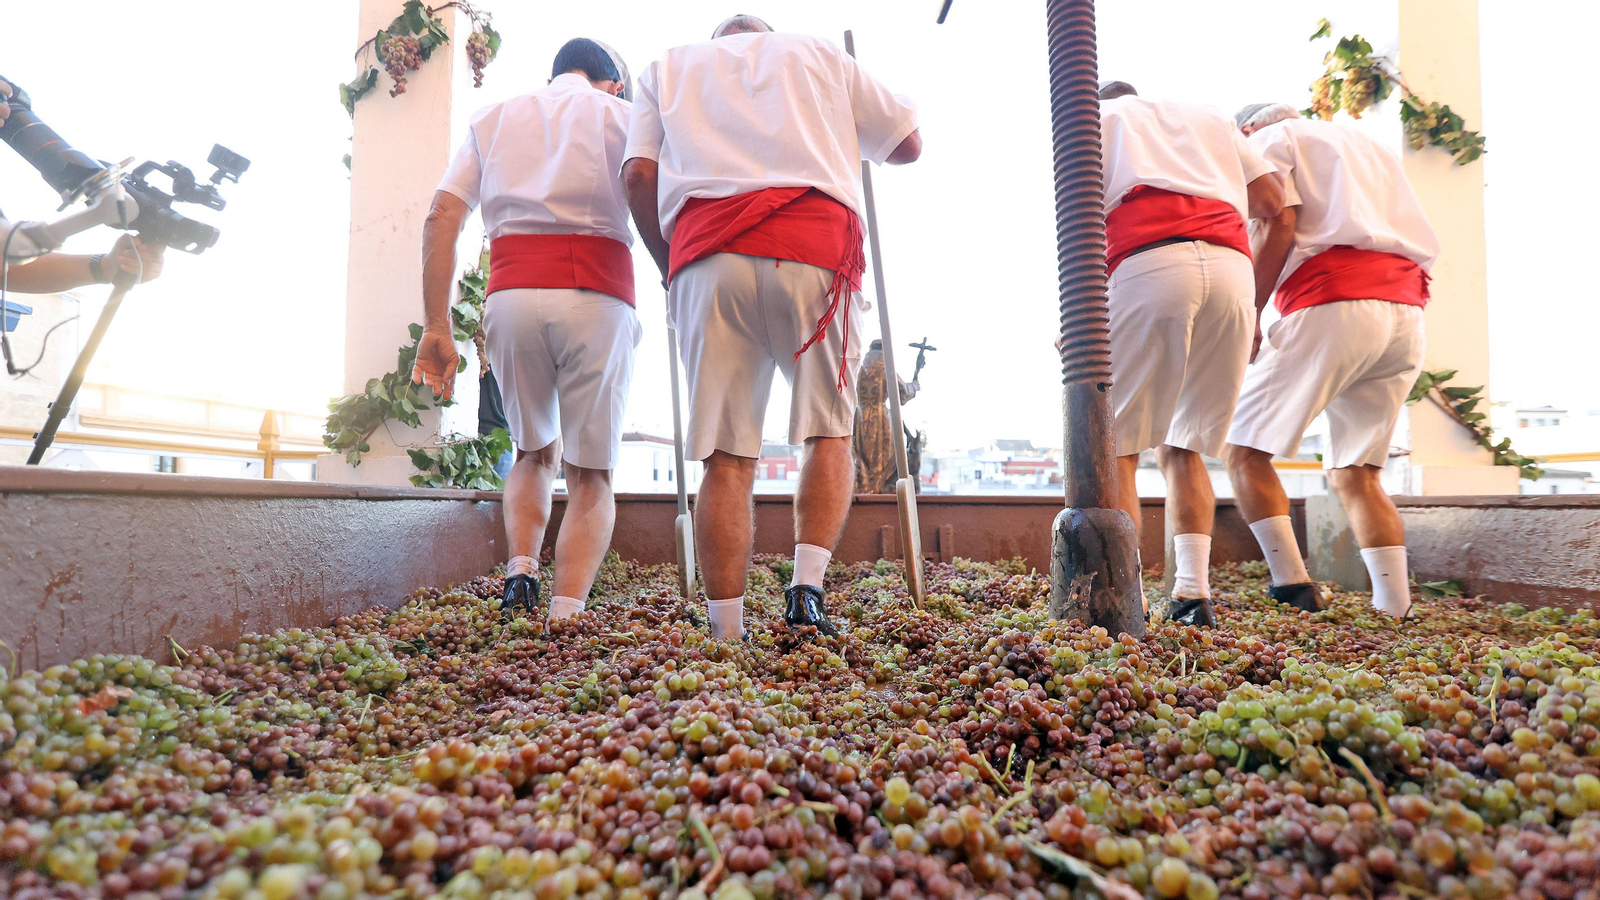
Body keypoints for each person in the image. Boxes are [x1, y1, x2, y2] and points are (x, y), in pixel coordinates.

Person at [622, 15, 922, 640]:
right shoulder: (817, 56)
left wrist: (667, 265)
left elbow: (638, 176)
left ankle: (725, 633)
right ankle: (805, 592)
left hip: (707, 261)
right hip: (812, 252)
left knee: (724, 456)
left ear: (719, 41)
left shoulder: (668, 67)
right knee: (827, 432)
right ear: (766, 35)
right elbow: (908, 144)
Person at [411, 38, 639, 623]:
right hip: (598, 292)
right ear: (612, 83)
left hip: (511, 297)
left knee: (533, 452)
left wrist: (438, 323)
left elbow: (441, 217)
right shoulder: (625, 116)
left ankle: (520, 577)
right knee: (591, 473)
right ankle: (565, 614)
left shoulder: (495, 118)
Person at [1222, 102, 1440, 619]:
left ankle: (1292, 587)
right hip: (1405, 311)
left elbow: (1280, 220)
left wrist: (1251, 310)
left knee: (1243, 452)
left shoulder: (1269, 141)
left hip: (1332, 300)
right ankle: (1396, 609)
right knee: (1357, 472)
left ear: (1249, 130)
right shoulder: (1371, 148)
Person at [1097, 81, 1284, 626]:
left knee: (1119, 447)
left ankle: (1124, 601)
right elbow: (1273, 202)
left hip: (1147, 260)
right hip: (1231, 267)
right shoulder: (1206, 117)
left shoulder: (1100, 117)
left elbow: (1078, 220)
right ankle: (1191, 595)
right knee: (1186, 445)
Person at [853, 339, 918, 494]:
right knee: (882, 458)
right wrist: (914, 386)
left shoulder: (858, 370)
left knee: (862, 455)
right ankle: (878, 489)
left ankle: (864, 488)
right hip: (881, 419)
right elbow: (903, 392)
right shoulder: (886, 368)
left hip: (859, 418)